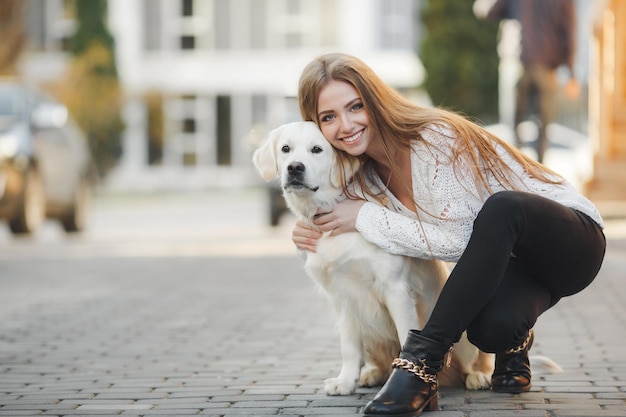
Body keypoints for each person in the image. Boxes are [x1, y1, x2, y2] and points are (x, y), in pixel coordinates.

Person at [293, 53, 605, 417]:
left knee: (502, 208)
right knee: (489, 331)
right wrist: (305, 236)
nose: (345, 125)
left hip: (571, 242)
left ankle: (420, 366)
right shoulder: (364, 177)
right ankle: (515, 341)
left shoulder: (433, 137)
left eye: (355, 106)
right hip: (512, 266)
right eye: (328, 117)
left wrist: (365, 215)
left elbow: (459, 241)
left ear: (375, 100)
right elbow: (340, 247)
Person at [482, 0, 579, 163]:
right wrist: (571, 73)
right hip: (547, 66)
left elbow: (486, 11)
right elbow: (569, 33)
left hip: (517, 61)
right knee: (543, 128)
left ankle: (512, 175)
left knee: (512, 126)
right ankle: (539, 178)